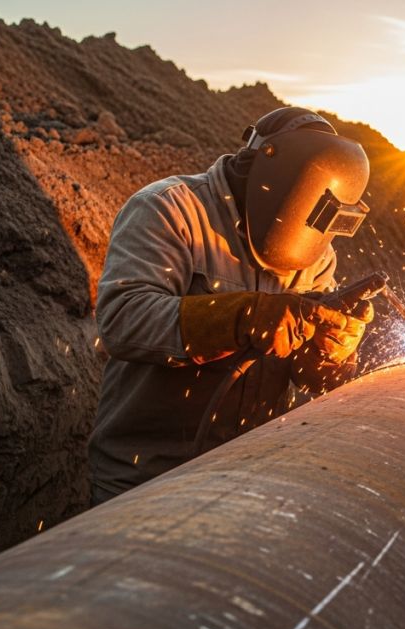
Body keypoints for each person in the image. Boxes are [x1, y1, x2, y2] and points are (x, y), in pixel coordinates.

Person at [88, 107, 374, 505]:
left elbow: (310, 377)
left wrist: (330, 349)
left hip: (246, 475)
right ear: (280, 183)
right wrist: (242, 317)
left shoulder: (316, 254)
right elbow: (123, 319)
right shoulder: (170, 210)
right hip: (146, 475)